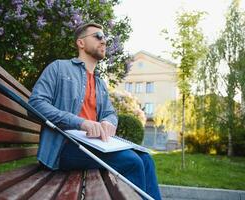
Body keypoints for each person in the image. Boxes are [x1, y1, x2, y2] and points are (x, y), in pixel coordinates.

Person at [28, 22, 162, 200]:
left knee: (146, 159)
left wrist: (108, 122)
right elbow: (35, 104)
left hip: (93, 145)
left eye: (105, 38)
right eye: (98, 36)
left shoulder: (100, 84)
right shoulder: (59, 68)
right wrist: (80, 122)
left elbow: (109, 113)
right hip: (64, 146)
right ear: (81, 43)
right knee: (132, 162)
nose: (104, 41)